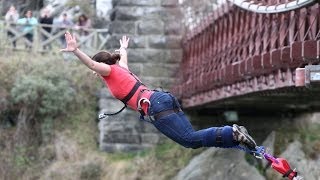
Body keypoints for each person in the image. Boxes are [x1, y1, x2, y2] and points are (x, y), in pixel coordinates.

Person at [61, 31, 257, 150]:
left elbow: (94, 66)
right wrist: (123, 48)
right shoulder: (121, 68)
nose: (95, 71)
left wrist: (76, 51)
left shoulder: (109, 70)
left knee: (189, 140)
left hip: (155, 106)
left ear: (101, 64)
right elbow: (123, 58)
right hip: (162, 98)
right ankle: (235, 138)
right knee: (192, 139)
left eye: (97, 66)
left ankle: (231, 132)